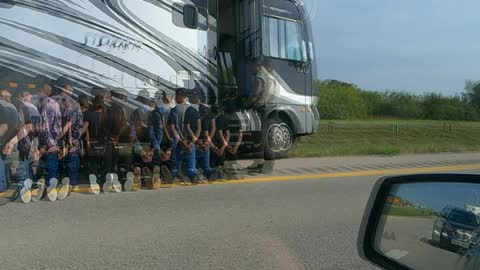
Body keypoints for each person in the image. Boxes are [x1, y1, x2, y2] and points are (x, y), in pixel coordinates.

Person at [52, 78, 83, 189]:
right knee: (72, 164)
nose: (73, 90)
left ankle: (54, 187)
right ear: (66, 88)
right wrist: (73, 141)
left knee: (54, 165)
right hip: (70, 143)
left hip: (54, 141)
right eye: (71, 87)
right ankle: (72, 185)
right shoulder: (75, 104)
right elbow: (79, 125)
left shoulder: (51, 101)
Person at [32, 76, 62, 185]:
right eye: (50, 86)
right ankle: (51, 188)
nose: (51, 89)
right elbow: (57, 128)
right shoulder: (53, 104)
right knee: (51, 167)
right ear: (44, 85)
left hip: (33, 144)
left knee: (32, 169)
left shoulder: (30, 100)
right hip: (50, 145)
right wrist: (51, 143)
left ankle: (33, 188)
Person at [168, 88, 201, 183]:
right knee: (191, 167)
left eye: (176, 95)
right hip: (191, 142)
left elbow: (173, 128)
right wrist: (192, 142)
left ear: (181, 96)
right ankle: (194, 174)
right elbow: (198, 128)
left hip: (179, 143)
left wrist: (180, 141)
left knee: (176, 167)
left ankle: (175, 176)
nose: (175, 98)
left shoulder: (174, 110)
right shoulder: (194, 110)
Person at [0, 89, 29, 193]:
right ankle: (22, 187)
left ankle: (6, 187)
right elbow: (21, 127)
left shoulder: (3, 107)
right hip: (12, 141)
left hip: (6, 141)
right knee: (12, 166)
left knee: (7, 165)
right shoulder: (13, 107)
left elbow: (4, 126)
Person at [189, 90, 215, 180]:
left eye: (191, 97)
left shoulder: (191, 110)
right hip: (205, 141)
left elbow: (189, 127)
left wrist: (196, 140)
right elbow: (213, 127)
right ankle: (211, 172)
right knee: (205, 165)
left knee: (193, 163)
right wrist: (208, 141)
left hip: (196, 141)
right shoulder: (208, 110)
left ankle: (195, 175)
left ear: (195, 97)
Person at [104, 88, 128, 178]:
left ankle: (108, 177)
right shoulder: (122, 110)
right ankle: (116, 177)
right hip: (118, 140)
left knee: (109, 161)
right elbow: (124, 125)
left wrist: (111, 137)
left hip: (110, 140)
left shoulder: (108, 109)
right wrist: (117, 137)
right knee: (115, 160)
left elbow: (105, 125)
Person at [83, 94, 107, 181]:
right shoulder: (106, 116)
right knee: (102, 161)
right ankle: (101, 178)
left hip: (92, 143)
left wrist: (88, 142)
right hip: (103, 142)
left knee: (92, 162)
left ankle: (93, 178)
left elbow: (85, 129)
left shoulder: (89, 115)